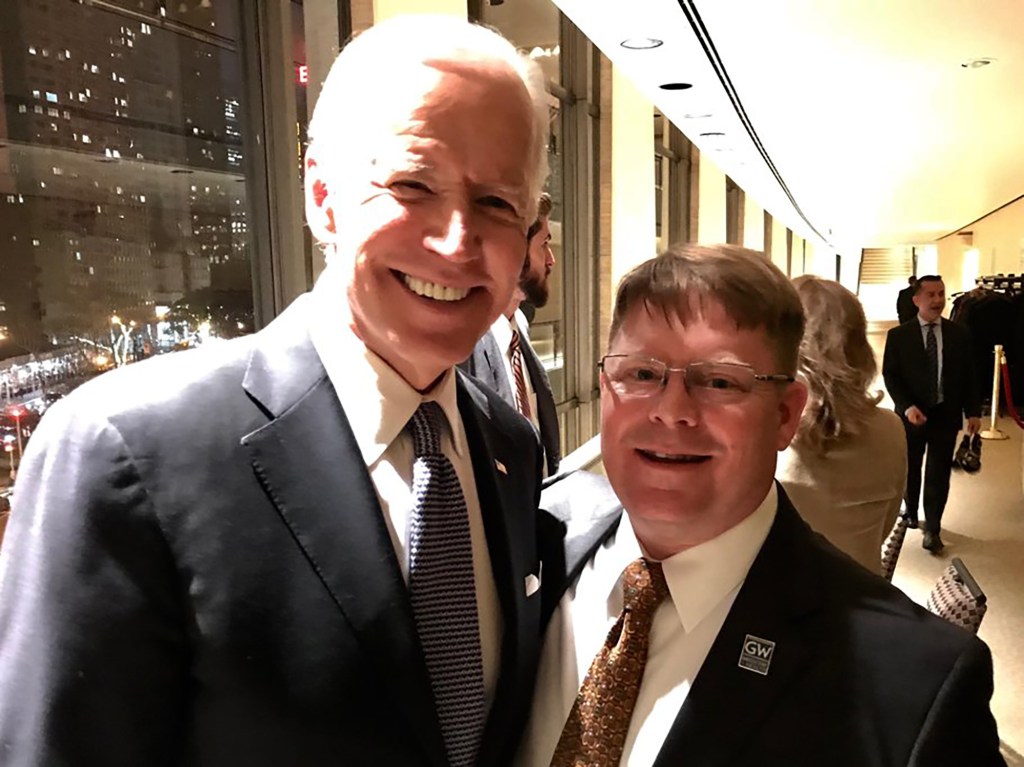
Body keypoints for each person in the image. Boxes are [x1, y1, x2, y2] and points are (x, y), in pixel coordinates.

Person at [0, 16, 553, 766]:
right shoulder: (123, 451)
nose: (458, 240)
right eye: (412, 184)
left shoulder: (508, 446)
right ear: (322, 196)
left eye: (497, 203)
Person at [520, 246, 1003, 767]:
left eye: (721, 381)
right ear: (604, 386)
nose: (671, 411)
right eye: (641, 374)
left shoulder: (917, 683)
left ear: (784, 416)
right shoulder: (538, 530)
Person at [777, 276, 907, 574]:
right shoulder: (891, 428)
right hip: (864, 597)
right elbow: (885, 526)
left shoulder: (768, 432)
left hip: (782, 608)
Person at [460, 192, 560, 476]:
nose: (551, 260)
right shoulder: (464, 348)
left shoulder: (520, 327)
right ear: (514, 252)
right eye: (545, 244)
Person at [883, 274, 982, 553]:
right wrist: (906, 406)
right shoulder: (898, 336)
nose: (937, 300)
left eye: (941, 294)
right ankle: (911, 511)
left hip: (945, 413)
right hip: (911, 414)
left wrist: (973, 411)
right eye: (931, 295)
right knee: (910, 467)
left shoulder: (958, 334)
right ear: (916, 300)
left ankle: (934, 528)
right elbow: (890, 375)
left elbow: (969, 376)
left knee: (939, 472)